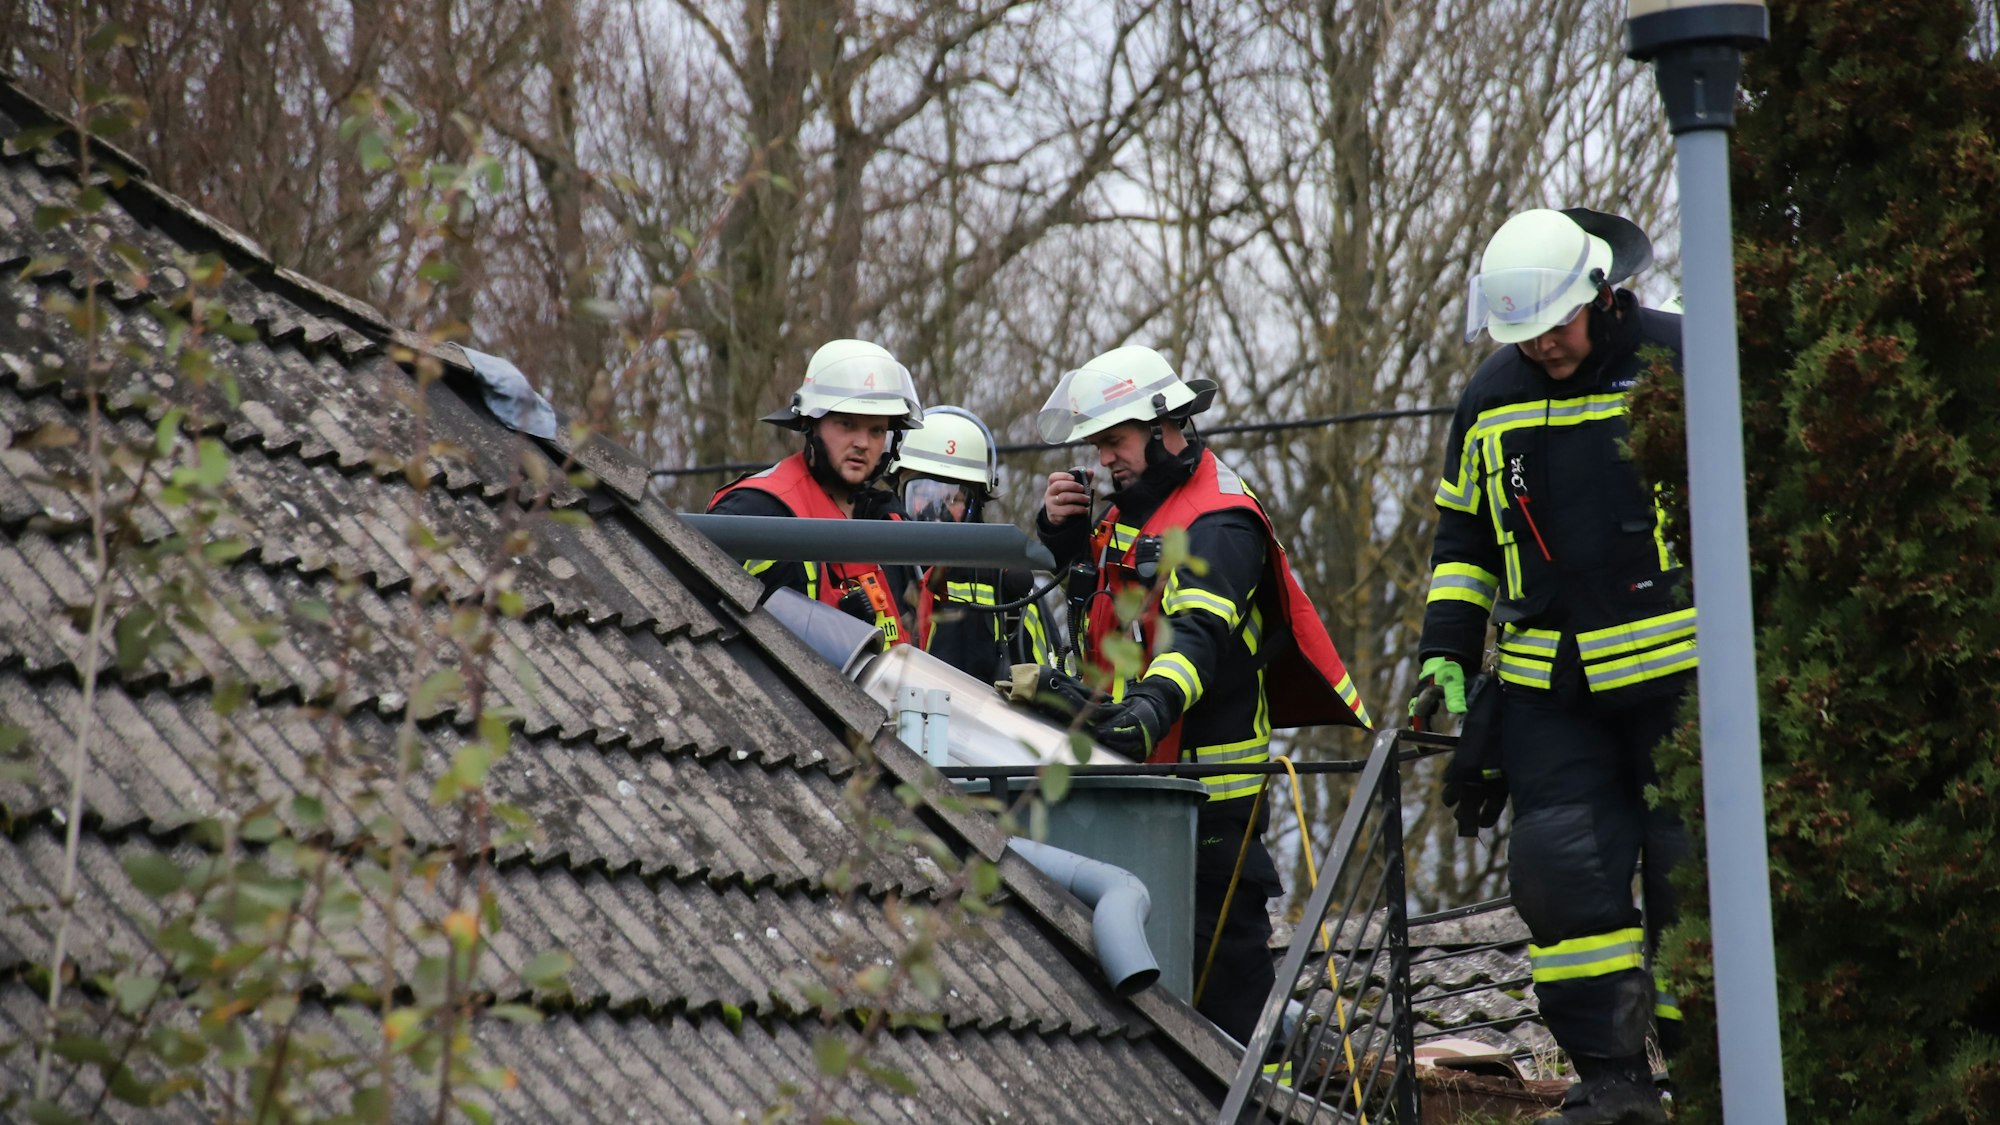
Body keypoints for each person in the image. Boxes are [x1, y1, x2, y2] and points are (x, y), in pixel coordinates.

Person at [1413, 207, 1691, 1125]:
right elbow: (1463, 539)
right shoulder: (1490, 393)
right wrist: (1445, 652)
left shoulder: (1678, 361)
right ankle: (1614, 1084)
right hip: (1549, 689)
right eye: (1523, 334)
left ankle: (1717, 1076)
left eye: (1556, 327)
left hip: (1683, 682)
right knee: (1561, 874)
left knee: (1696, 881)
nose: (1543, 346)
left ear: (1601, 294)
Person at [1031, 344, 1372, 1043]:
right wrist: (1063, 542)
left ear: (1164, 427)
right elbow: (1103, 611)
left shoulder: (1220, 520)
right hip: (1138, 783)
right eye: (1096, 446)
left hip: (1210, 795)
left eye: (1114, 442)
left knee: (1226, 993)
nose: (1103, 462)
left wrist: (1147, 712)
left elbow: (1196, 638)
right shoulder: (1130, 509)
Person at [708, 339, 924, 644]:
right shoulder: (758, 509)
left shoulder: (888, 520)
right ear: (811, 424)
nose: (863, 442)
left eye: (876, 430)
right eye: (847, 424)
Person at [888, 405, 1063, 679]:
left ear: (976, 507)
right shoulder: (871, 565)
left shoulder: (1007, 587)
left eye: (954, 498)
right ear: (898, 491)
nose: (936, 511)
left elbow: (1051, 682)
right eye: (923, 493)